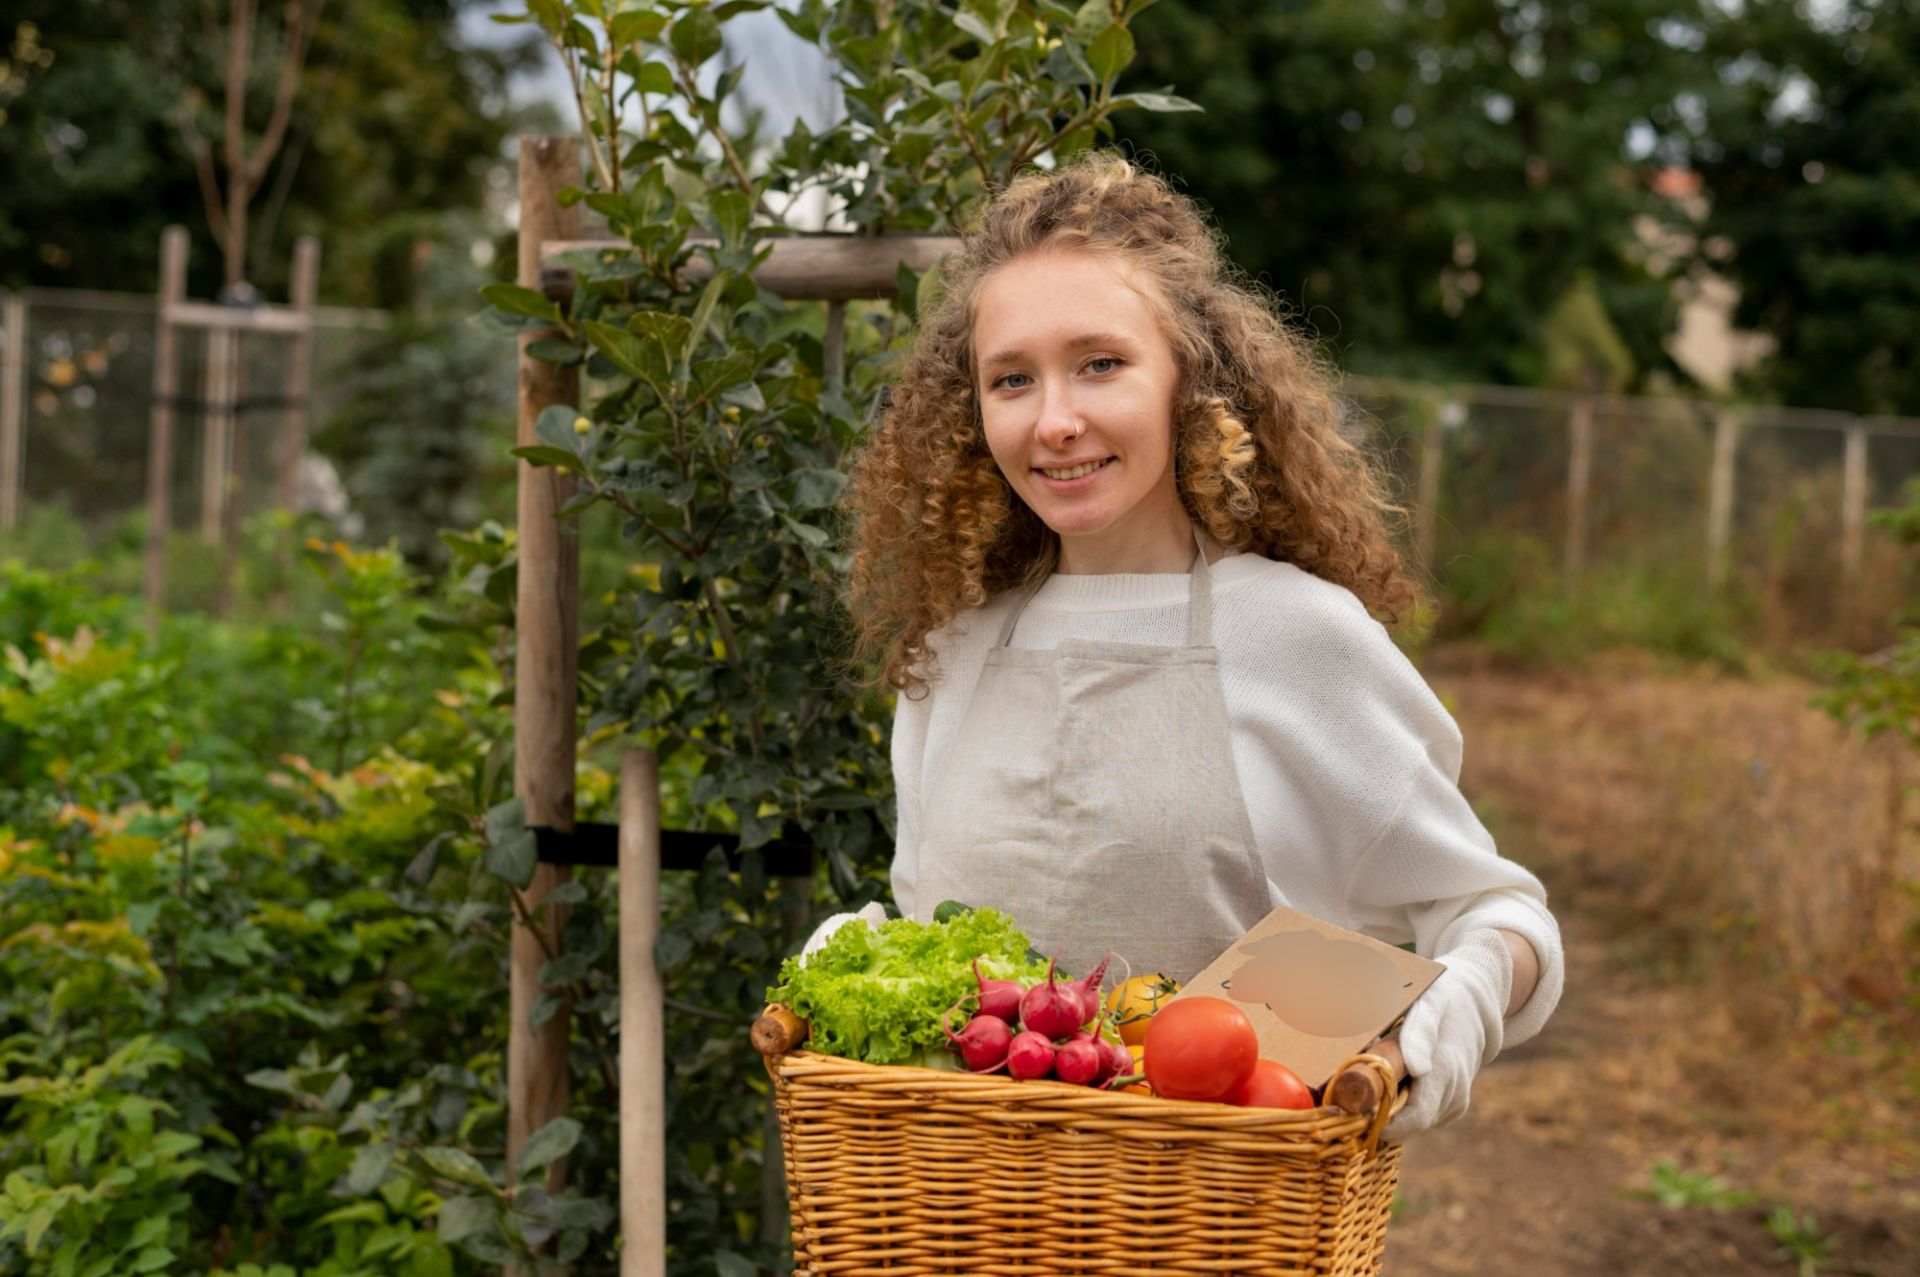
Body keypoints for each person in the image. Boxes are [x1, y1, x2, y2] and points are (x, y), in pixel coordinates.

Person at [828, 154, 1564, 1140]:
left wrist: (1424, 1035)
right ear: (973, 412)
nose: (1056, 420)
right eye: (1013, 379)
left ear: (1189, 379)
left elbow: (1497, 915)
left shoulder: (1291, 635)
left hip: (1217, 1222)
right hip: (967, 1216)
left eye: (1100, 363)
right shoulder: (955, 652)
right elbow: (931, 947)